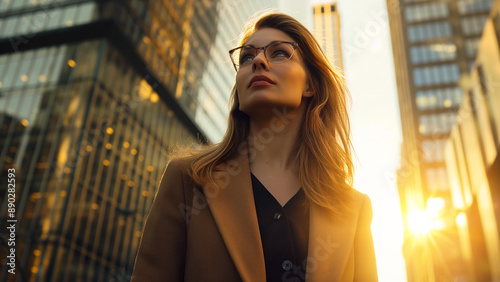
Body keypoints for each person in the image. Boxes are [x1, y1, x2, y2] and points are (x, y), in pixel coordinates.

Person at [131, 12, 378, 282]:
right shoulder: (189, 180)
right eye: (247, 57)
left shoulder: (354, 208)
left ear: (310, 85)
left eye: (280, 53)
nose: (258, 61)